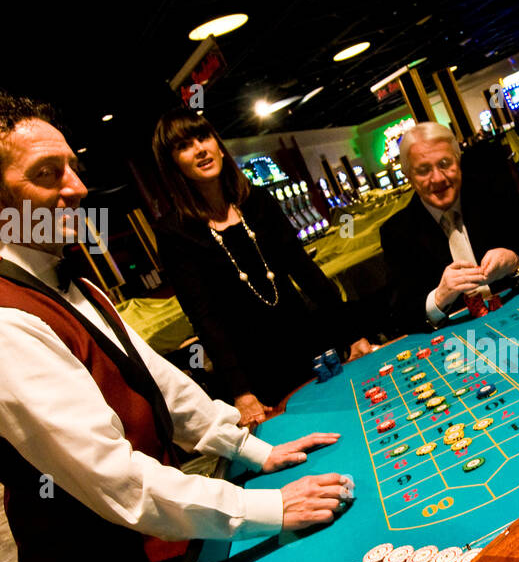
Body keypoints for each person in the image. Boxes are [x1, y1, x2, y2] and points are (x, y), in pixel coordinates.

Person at [0, 95, 353, 562]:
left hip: (156, 543)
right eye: (46, 174)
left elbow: (161, 385)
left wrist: (252, 450)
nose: (77, 186)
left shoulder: (67, 280)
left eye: (72, 167)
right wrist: (269, 505)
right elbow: (114, 478)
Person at [151, 109, 374, 428]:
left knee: (353, 424)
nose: (200, 148)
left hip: (309, 344)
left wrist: (352, 333)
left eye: (204, 137)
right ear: (172, 164)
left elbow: (306, 273)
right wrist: (241, 393)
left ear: (217, 143)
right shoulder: (175, 233)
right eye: (184, 146)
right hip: (255, 370)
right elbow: (205, 319)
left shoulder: (258, 201)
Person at [378, 122, 519, 333]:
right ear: (409, 177)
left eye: (445, 164)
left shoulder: (495, 193)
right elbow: (400, 319)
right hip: (457, 341)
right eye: (423, 171)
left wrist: (515, 263)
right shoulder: (397, 233)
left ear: (458, 160)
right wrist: (438, 298)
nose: (438, 178)